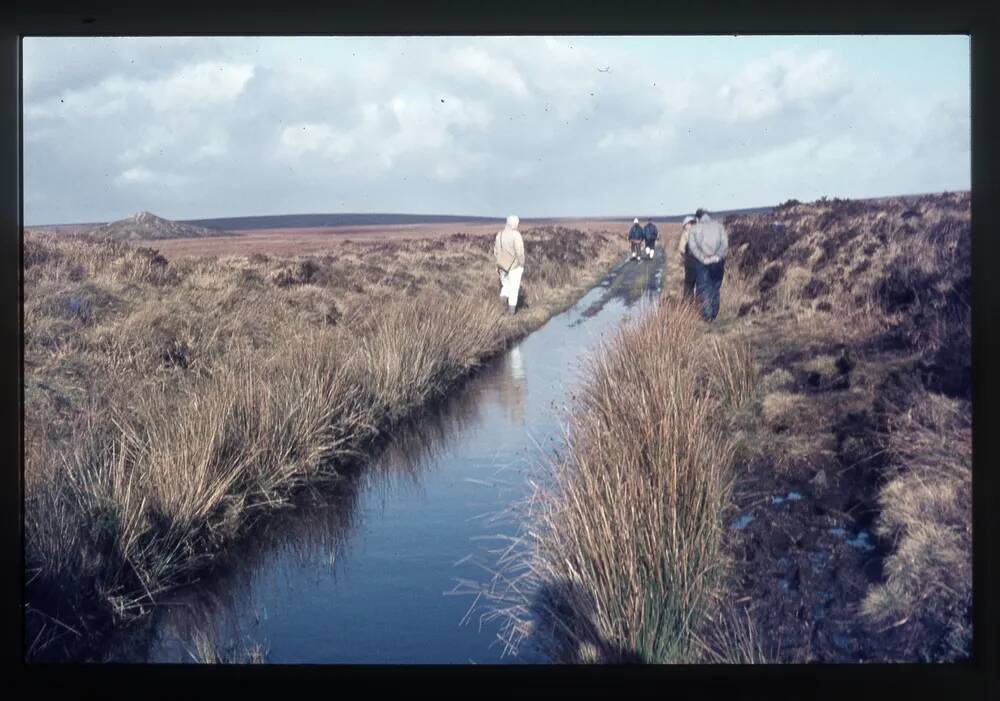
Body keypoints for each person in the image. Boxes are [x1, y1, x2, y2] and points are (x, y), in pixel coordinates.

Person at [686, 208, 729, 322]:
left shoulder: (695, 229)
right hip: (718, 263)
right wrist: (718, 256)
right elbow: (725, 245)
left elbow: (692, 247)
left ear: (697, 218)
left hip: (703, 263)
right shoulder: (719, 227)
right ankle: (714, 314)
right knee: (715, 287)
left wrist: (702, 258)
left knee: (704, 288)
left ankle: (707, 317)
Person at [494, 214, 525, 315]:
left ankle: (502, 308)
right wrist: (522, 263)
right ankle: (511, 313)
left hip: (502, 266)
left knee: (505, 286)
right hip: (514, 266)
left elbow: (496, 251)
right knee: (514, 289)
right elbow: (519, 252)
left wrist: (498, 263)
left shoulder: (500, 235)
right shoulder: (516, 235)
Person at [676, 215, 698, 300]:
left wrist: (684, 259)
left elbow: (681, 249)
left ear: (688, 224)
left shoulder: (686, 234)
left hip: (690, 262)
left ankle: (688, 306)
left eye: (684, 225)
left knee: (689, 285)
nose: (684, 227)